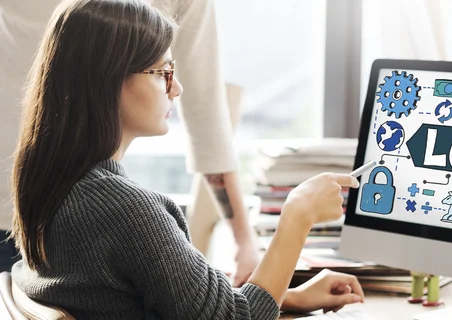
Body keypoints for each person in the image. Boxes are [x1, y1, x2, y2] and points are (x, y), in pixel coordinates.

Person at [9, 0, 365, 318]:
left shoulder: (53, 185)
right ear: (108, 80)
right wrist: (298, 214)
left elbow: (173, 299)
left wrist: (287, 297)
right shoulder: (124, 211)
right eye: (162, 73)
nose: (176, 87)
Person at [0, 0, 261, 285]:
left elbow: (206, 117)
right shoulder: (133, 214)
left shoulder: (122, 208)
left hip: (36, 202)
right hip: (32, 213)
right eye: (162, 73)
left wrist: (242, 240)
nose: (175, 88)